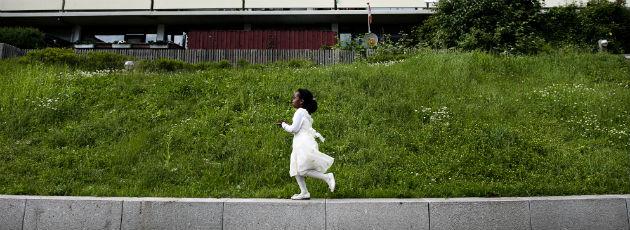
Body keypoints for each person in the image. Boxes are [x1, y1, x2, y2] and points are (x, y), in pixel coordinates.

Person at [278, 89, 335, 200]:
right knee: (296, 168)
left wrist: (284, 125)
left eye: (295, 98)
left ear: (301, 101)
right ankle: (304, 192)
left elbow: (294, 129)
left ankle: (327, 177)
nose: (292, 100)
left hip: (302, 143)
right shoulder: (306, 113)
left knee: (302, 169)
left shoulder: (299, 112)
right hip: (301, 142)